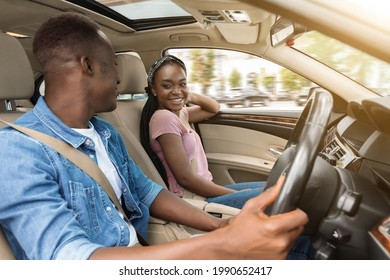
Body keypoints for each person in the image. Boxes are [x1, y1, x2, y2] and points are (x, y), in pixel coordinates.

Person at [0, 12, 312, 260]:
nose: (120, 77)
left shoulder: (104, 131)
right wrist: (222, 246)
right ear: (89, 66)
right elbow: (71, 260)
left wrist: (221, 227)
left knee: (300, 243)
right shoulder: (17, 150)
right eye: (111, 65)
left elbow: (149, 193)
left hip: (144, 255)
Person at [140, 55, 264, 209]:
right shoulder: (164, 119)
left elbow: (213, 108)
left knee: (273, 186)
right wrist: (232, 194)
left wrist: (187, 95)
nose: (176, 91)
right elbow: (185, 179)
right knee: (276, 194)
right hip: (194, 199)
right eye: (167, 86)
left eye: (182, 84)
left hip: (203, 191)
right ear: (154, 89)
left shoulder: (179, 114)